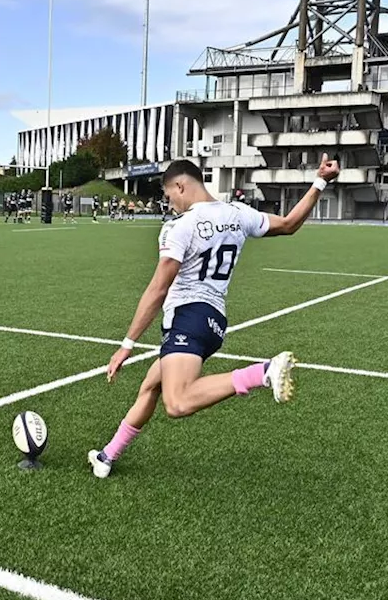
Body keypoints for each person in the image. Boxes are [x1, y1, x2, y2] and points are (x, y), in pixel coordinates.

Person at [89, 155, 340, 479]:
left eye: (169, 196)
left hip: (188, 318)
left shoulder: (180, 226)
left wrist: (127, 344)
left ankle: (262, 372)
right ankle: (107, 455)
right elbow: (289, 224)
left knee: (176, 402)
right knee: (151, 385)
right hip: (214, 322)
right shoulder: (238, 214)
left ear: (180, 185)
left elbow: (157, 289)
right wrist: (320, 181)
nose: (171, 204)